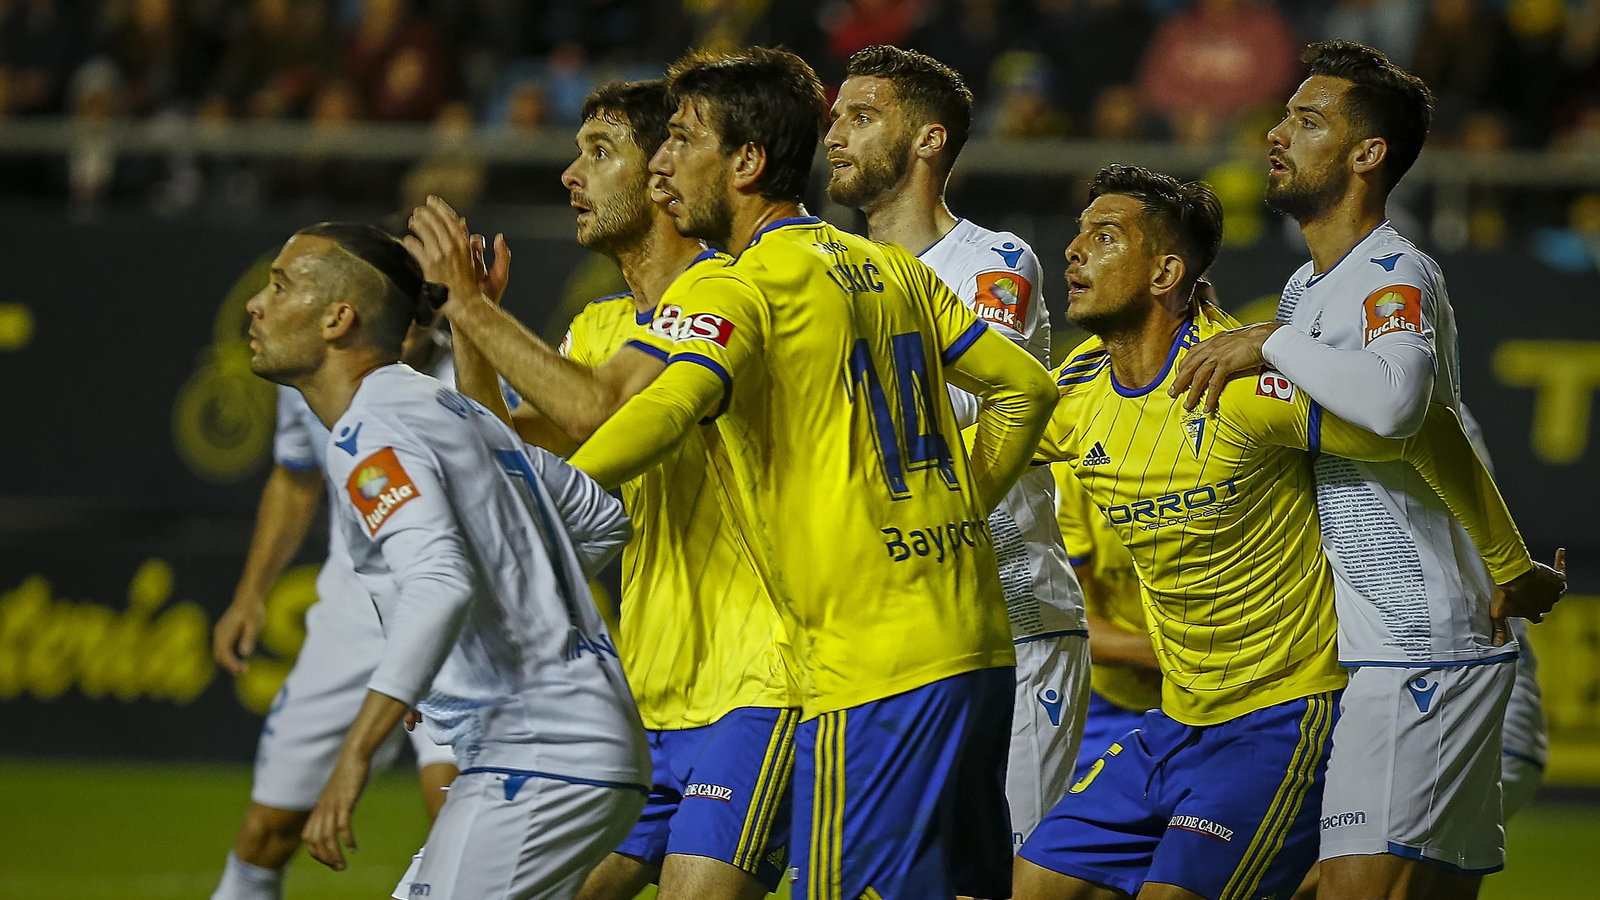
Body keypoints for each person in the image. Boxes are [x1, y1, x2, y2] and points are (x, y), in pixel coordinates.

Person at [567, 46, 1060, 900]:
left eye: (682, 139)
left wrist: (550, 499)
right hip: (972, 646)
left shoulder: (744, 283)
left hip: (868, 670)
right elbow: (1025, 388)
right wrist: (960, 505)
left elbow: (666, 407)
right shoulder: (890, 269)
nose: (661, 162)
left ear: (748, 162)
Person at [1015, 164, 1560, 900]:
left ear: (1165, 270)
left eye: (1104, 237)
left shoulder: (1238, 387)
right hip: (1173, 721)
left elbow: (1421, 425)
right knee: (1033, 884)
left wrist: (1509, 562)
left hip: (1278, 721)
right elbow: (972, 454)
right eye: (1079, 234)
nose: (1075, 250)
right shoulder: (1076, 392)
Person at [1169, 41, 1567, 899]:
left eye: (1307, 120)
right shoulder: (1304, 288)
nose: (1276, 134)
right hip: (1386, 649)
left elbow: (1398, 406)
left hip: (1425, 649)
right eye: (1283, 116)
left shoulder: (1395, 270)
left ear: (1367, 154)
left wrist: (1266, 344)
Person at [405, 79, 802, 900]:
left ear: (662, 176)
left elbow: (597, 409)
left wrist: (477, 312)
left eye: (599, 151)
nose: (569, 175)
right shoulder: (600, 328)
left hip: (759, 685)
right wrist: (467, 327)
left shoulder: (723, 293)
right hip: (649, 694)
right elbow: (505, 466)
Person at [244, 221, 648, 900]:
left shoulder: (371, 436)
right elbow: (598, 522)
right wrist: (460, 659)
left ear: (338, 320)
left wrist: (355, 751)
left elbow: (440, 582)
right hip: (574, 747)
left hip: (542, 756)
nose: (256, 303)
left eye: (280, 286)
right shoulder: (453, 411)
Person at [821, 44, 1090, 849]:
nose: (836, 134)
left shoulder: (993, 262)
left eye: (862, 118)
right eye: (836, 118)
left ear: (928, 140)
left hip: (1014, 615)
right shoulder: (830, 270)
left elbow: (975, 396)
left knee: (1012, 874)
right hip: (890, 626)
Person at [210, 287, 458, 900]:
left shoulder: (476, 379)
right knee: (267, 832)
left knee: (454, 814)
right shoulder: (309, 380)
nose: (410, 309)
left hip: (453, 613)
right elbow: (295, 480)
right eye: (395, 289)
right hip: (353, 611)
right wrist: (250, 595)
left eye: (424, 292)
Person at [1052, 466, 1161, 777]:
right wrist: (1172, 655)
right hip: (1107, 705)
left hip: (1229, 698)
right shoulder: (1073, 468)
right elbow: (1055, 619)